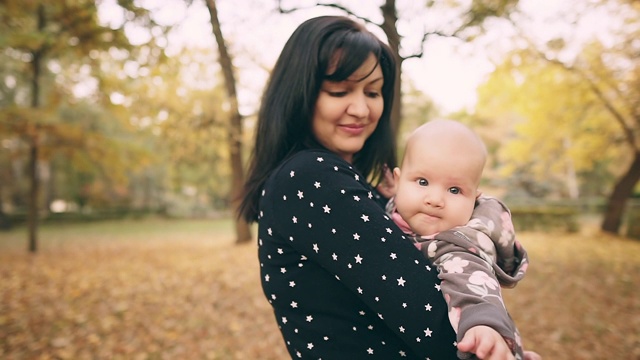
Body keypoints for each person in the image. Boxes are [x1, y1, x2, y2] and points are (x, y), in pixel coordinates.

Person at [240, 15, 519, 359]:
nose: (360, 109)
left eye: (372, 92)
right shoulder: (310, 177)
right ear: (300, 93)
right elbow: (434, 322)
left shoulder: (356, 186)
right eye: (339, 91)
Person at [384, 120, 539, 360]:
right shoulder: (390, 212)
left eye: (454, 190)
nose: (435, 199)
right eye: (422, 182)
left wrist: (484, 326)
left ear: (474, 199)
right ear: (397, 181)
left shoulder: (458, 247)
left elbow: (473, 287)